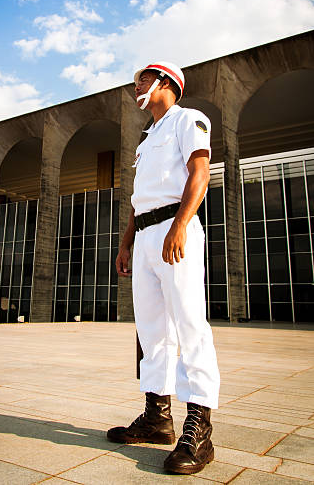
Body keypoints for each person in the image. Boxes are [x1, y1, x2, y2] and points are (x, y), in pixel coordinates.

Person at [107, 62, 220, 475]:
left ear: (166, 83)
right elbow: (141, 198)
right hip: (146, 235)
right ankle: (157, 418)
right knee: (151, 330)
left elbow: (200, 173)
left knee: (189, 325)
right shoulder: (146, 137)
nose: (135, 85)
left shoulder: (188, 119)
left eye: (142, 78)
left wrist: (181, 225)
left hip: (177, 228)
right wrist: (126, 243)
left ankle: (200, 428)